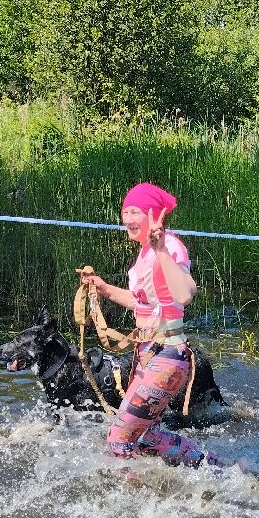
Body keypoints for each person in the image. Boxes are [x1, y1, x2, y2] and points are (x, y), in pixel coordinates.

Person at [77, 182, 224, 468]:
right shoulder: (146, 252)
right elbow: (140, 302)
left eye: (135, 211)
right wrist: (104, 288)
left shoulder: (169, 247)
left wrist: (160, 250)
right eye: (125, 212)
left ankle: (132, 499)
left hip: (168, 356)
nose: (128, 218)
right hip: (149, 353)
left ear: (153, 214)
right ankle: (213, 468)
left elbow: (184, 294)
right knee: (147, 435)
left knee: (118, 439)